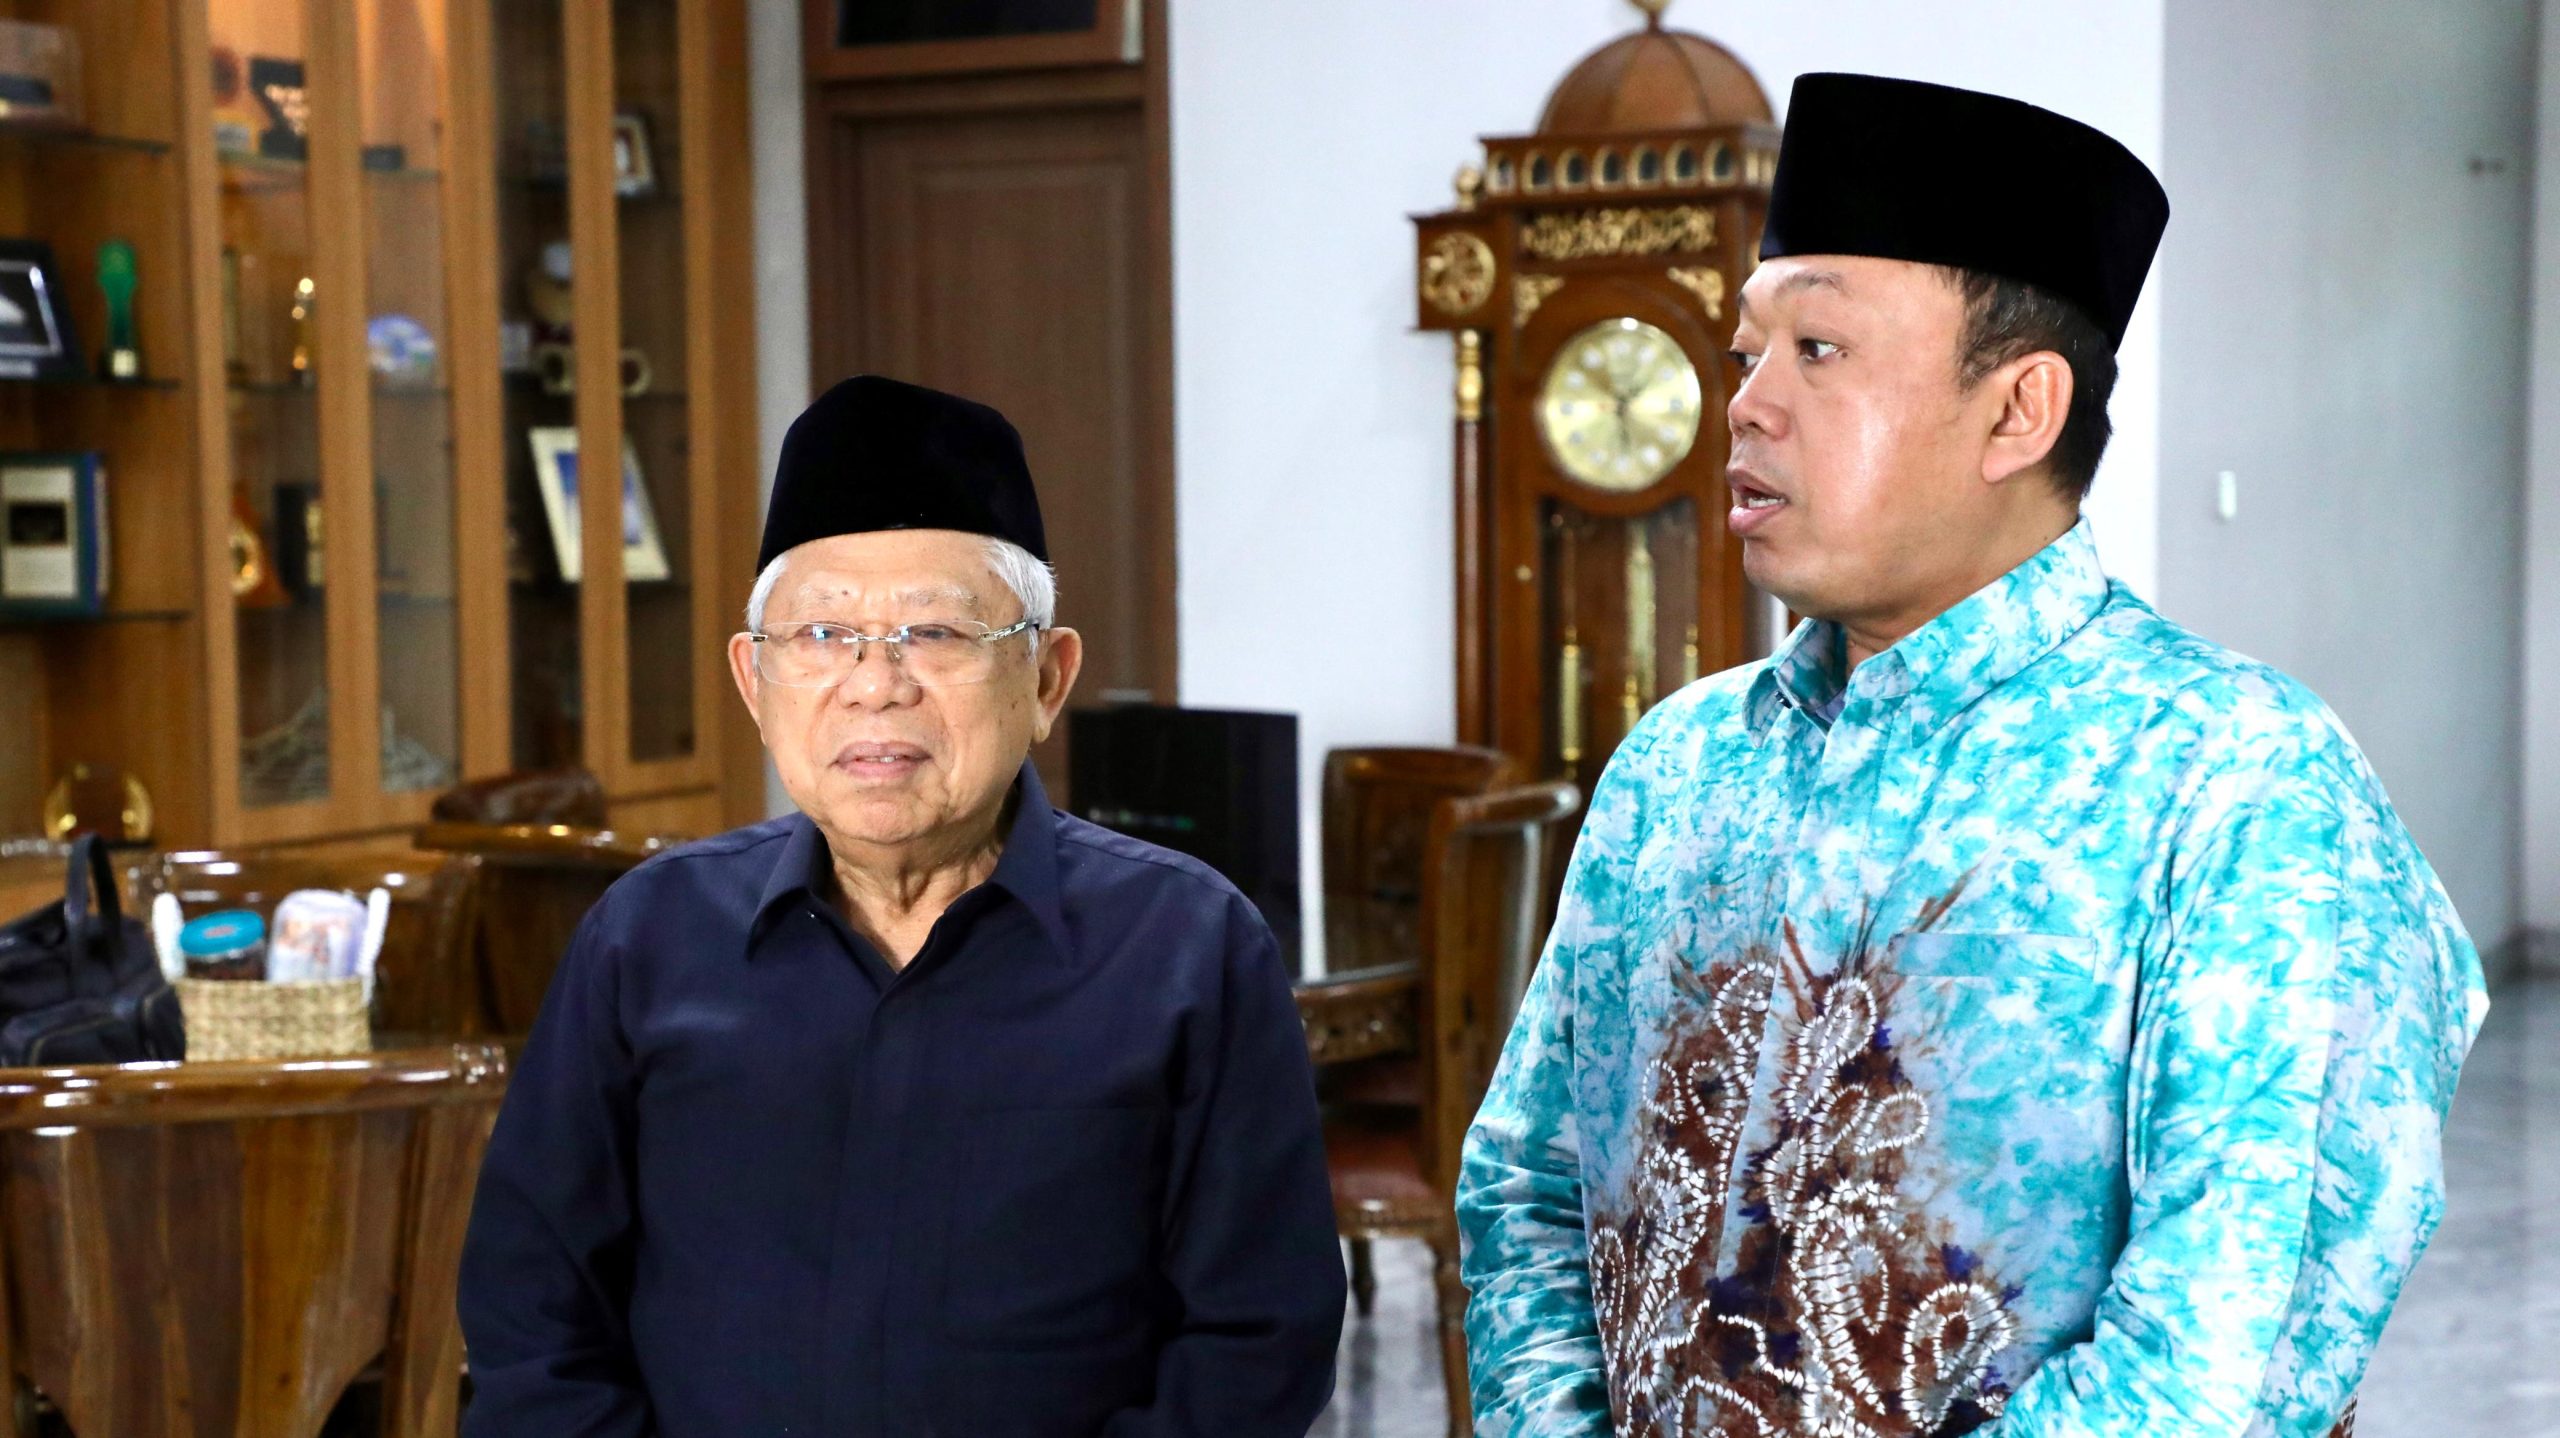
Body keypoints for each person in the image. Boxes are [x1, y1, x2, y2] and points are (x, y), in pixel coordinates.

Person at [1457, 74, 2489, 1438]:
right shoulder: (1678, 765)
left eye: (1819, 348)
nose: (1747, 405)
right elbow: (1527, 1187)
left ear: (2018, 410)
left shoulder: (2238, 781)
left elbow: (2221, 1362)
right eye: (1746, 354)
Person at [458, 375, 1345, 1437]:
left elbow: (1260, 1337)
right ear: (753, 681)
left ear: (1047, 678)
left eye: (935, 631)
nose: (875, 685)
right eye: (821, 635)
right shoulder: (644, 939)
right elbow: (531, 1313)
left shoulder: (1187, 948)